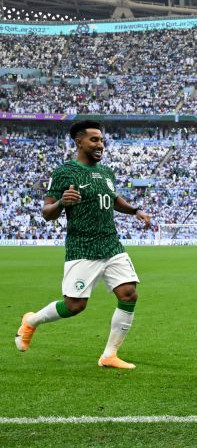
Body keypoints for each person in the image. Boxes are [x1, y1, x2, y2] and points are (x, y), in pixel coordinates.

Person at [15, 120, 151, 369]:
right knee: (75, 305)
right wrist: (61, 203)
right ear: (79, 142)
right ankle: (32, 320)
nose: (100, 145)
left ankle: (109, 355)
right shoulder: (65, 172)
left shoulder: (107, 172)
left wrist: (135, 210)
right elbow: (47, 212)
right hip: (82, 248)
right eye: (94, 140)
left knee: (129, 294)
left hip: (111, 245)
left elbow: (112, 198)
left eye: (101, 140)